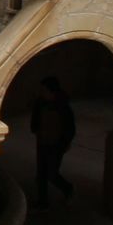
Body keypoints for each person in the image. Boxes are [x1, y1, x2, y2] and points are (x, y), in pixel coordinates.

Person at [29, 75, 76, 208]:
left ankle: (68, 189)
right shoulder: (40, 103)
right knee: (41, 175)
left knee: (52, 173)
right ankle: (42, 202)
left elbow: (70, 127)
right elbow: (35, 120)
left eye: (44, 90)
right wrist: (36, 130)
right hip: (43, 141)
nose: (41, 93)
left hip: (56, 144)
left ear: (52, 91)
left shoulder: (63, 107)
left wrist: (65, 142)